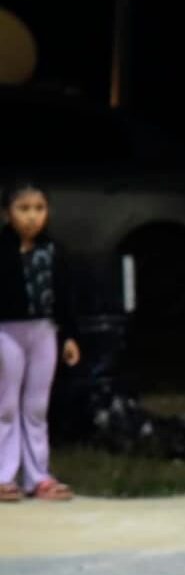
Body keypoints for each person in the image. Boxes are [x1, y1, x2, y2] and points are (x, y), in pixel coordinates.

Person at [0, 179, 82, 502]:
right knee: (5, 404)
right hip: (6, 331)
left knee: (36, 405)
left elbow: (65, 297)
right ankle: (4, 474)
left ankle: (38, 476)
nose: (32, 217)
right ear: (8, 213)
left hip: (44, 331)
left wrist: (70, 335)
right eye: (23, 209)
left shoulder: (53, 251)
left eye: (39, 209)